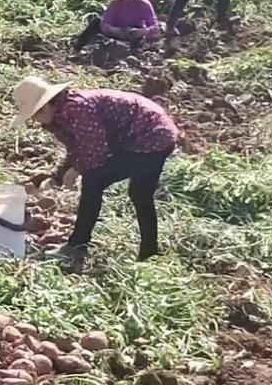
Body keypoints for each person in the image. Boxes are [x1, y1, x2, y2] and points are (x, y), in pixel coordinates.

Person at [10, 76, 179, 272]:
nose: (35, 120)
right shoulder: (62, 114)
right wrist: (57, 177)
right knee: (139, 194)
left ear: (45, 105)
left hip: (151, 136)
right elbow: (77, 148)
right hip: (146, 136)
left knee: (95, 180)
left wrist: (76, 171)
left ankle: (77, 246)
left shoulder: (77, 109)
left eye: (35, 114)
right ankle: (149, 253)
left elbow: (96, 152)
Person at [72, 0, 161, 51]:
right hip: (115, 30)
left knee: (139, 40)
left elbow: (155, 27)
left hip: (132, 33)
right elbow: (105, 22)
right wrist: (114, 30)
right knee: (95, 22)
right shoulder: (116, 1)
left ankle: (132, 52)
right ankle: (77, 48)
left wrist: (144, 31)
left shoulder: (144, 4)